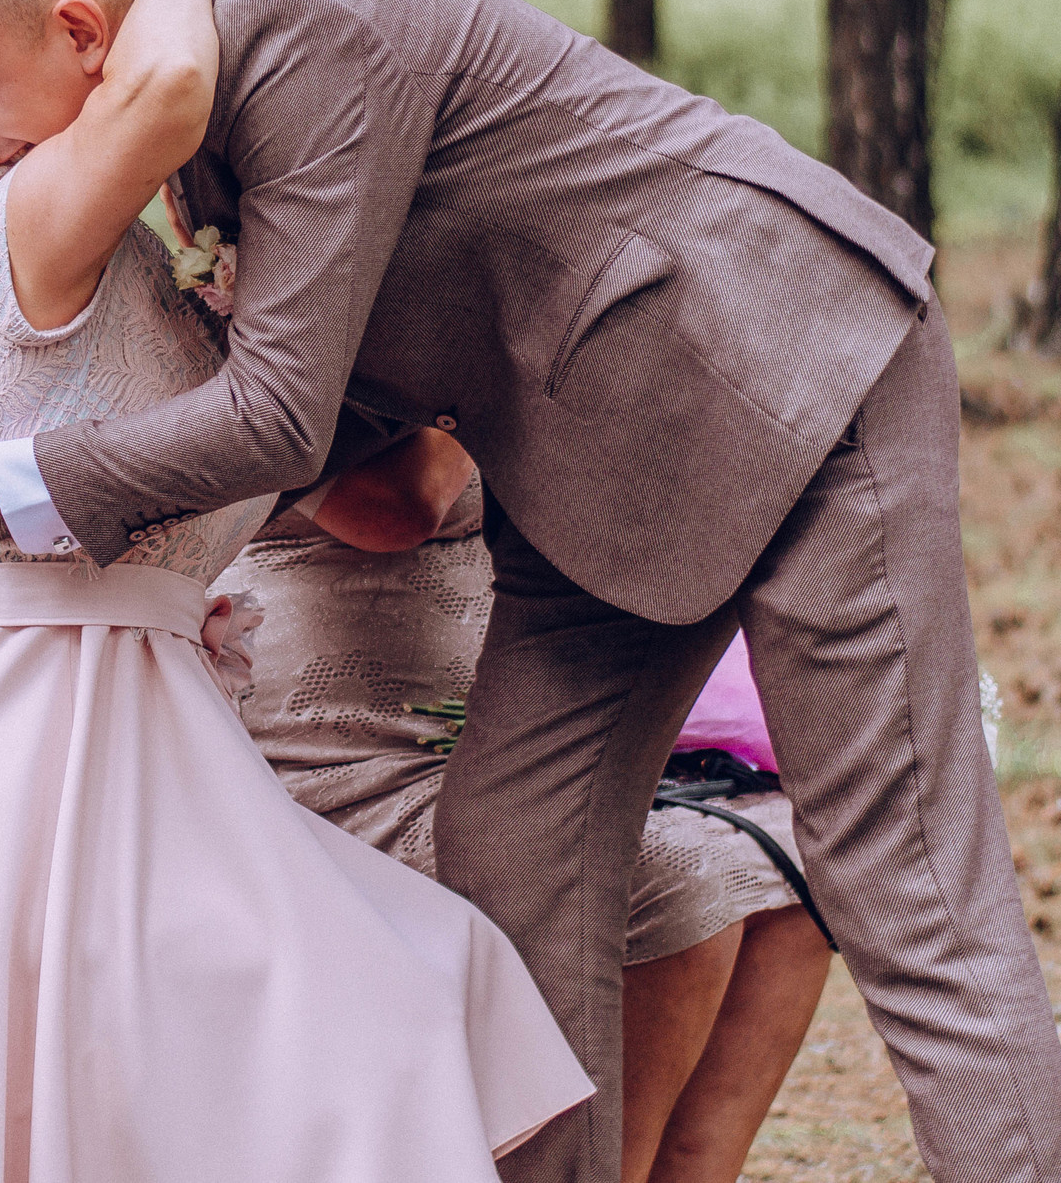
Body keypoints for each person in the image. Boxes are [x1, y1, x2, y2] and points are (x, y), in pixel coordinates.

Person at [0, 0, 1061, 1183]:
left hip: (784, 356)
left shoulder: (301, 32)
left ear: (78, 33)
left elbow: (281, 417)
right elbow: (331, 416)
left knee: (905, 885)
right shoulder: (183, 116)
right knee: (516, 853)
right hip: (585, 459)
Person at [0, 0, 593, 1183]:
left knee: (435, 976)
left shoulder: (135, 263)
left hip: (132, 738)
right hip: (27, 779)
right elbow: (169, 80)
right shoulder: (29, 209)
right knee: (377, 1016)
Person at [211, 432, 832, 1183]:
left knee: (788, 870)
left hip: (489, 738)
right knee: (671, 886)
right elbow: (409, 499)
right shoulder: (287, 347)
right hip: (325, 761)